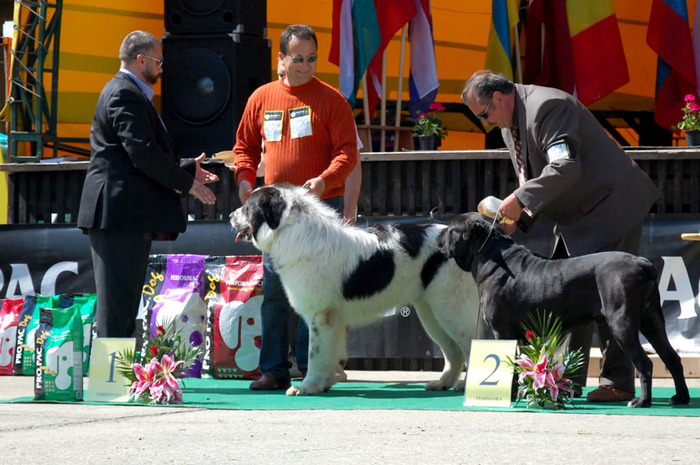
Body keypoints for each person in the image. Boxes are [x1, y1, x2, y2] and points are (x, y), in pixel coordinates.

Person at [461, 70, 659, 402]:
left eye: (484, 114)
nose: (486, 123)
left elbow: (565, 166)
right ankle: (567, 379)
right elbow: (538, 181)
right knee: (566, 294)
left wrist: (518, 200)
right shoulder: (510, 123)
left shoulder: (547, 106)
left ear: (498, 99)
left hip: (611, 206)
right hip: (576, 215)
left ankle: (618, 381)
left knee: (608, 296)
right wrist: (519, 216)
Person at [233, 24, 358, 391]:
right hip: (276, 214)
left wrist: (324, 179)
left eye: (312, 58)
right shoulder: (262, 97)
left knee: (316, 292)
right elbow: (244, 146)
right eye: (298, 59)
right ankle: (273, 369)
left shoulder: (332, 99)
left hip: (319, 209)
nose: (306, 66)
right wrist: (244, 178)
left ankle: (312, 367)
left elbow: (349, 153)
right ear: (281, 60)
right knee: (275, 291)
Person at [77, 30, 218, 338]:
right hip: (116, 217)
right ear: (141, 60)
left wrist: (187, 169)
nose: (162, 68)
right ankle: (110, 385)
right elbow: (141, 153)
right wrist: (188, 184)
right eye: (159, 61)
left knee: (124, 306)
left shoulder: (129, 92)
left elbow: (132, 157)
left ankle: (119, 381)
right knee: (117, 309)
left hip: (123, 216)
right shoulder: (123, 93)